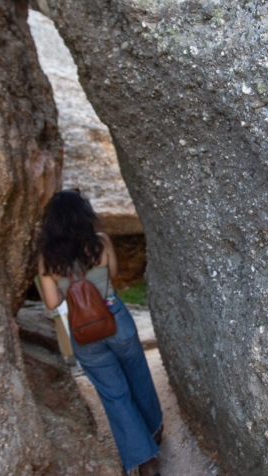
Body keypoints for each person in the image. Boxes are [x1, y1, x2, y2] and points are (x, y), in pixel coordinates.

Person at [37, 189, 162, 476]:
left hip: (83, 332)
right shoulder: (100, 242)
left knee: (114, 395)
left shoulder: (47, 258)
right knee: (138, 375)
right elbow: (114, 273)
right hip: (116, 318)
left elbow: (52, 303)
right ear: (84, 215)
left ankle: (145, 460)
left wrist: (65, 284)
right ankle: (154, 430)